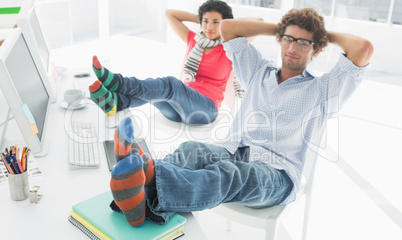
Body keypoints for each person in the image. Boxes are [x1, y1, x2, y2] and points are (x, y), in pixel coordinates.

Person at [108, 8, 373, 227]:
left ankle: (144, 177)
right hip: (235, 151)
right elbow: (228, 28)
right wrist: (283, 28)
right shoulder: (258, 71)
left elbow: (364, 48)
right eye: (289, 39)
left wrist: (319, 34)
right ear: (280, 40)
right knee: (191, 149)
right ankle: (139, 201)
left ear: (315, 51)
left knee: (229, 174)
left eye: (304, 43)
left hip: (277, 174)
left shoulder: (323, 90)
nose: (293, 47)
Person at [89, 0, 242, 125]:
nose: (209, 26)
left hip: (205, 109)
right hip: (179, 108)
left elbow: (257, 22)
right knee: (155, 89)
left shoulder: (230, 47)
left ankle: (119, 83)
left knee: (170, 84)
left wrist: (224, 24)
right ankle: (116, 103)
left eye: (216, 22)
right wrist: (202, 17)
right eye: (206, 21)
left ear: (225, 24)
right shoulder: (193, 40)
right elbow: (170, 14)